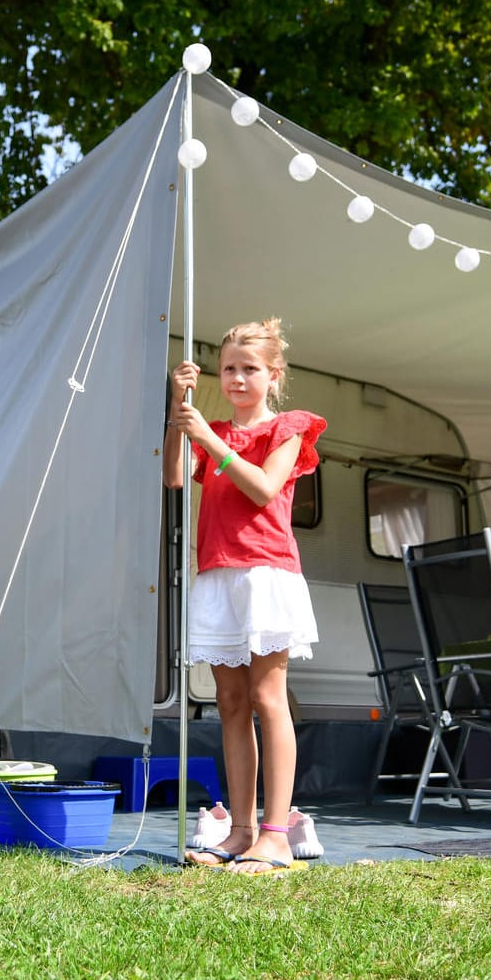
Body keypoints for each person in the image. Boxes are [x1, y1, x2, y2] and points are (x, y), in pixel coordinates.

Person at [162, 319, 326, 876]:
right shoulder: (209, 430)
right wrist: (177, 410)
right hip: (217, 574)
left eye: (249, 368)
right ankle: (241, 829)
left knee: (266, 697)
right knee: (229, 703)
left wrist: (208, 437)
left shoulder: (289, 428)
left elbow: (263, 487)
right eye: (228, 368)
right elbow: (175, 477)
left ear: (273, 375)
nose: (236, 378)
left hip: (265, 574)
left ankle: (277, 835)